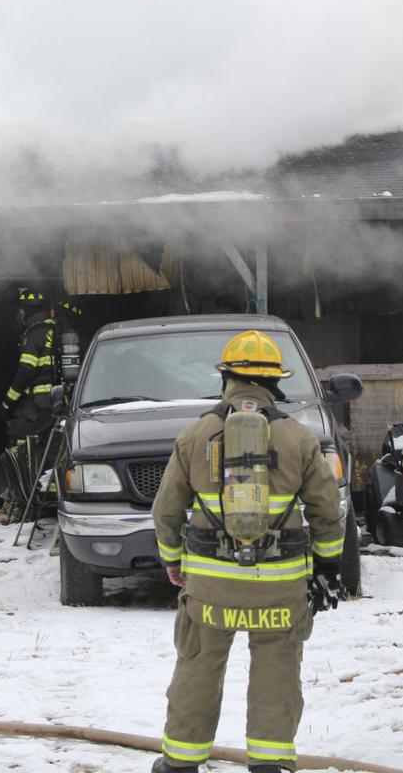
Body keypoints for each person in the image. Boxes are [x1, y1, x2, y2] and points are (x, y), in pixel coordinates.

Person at [150, 330, 344, 773]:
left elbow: (166, 510)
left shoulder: (196, 435)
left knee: (197, 671)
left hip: (210, 589)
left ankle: (179, 763)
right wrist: (328, 565)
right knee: (276, 677)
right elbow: (327, 513)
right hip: (279, 591)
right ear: (275, 382)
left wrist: (173, 559)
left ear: (227, 379)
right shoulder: (299, 438)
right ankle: (270, 763)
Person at [0, 289, 59, 441]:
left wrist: (7, 403)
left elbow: (26, 371)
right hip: (59, 401)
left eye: (21, 310)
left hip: (38, 403)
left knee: (17, 436)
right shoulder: (55, 330)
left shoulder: (34, 334)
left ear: (28, 311)